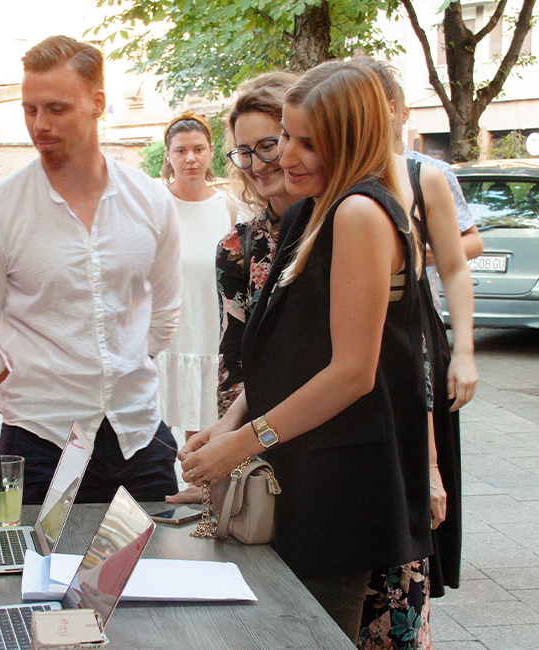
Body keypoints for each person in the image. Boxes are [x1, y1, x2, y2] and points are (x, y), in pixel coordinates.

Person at [178, 61, 432, 643]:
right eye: (286, 135)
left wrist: (242, 443)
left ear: (353, 139)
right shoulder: (311, 211)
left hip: (341, 491)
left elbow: (351, 374)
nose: (284, 156)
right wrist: (228, 425)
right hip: (304, 474)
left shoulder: (360, 213)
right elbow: (278, 354)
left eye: (306, 142)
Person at [0, 35, 182, 505]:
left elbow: (165, 313)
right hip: (41, 444)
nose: (39, 124)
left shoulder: (151, 201)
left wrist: (122, 374)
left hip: (140, 435)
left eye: (56, 108)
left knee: (159, 573)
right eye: (30, 109)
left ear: (97, 104)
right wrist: (32, 402)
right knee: (38, 577)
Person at [352, 57, 479, 649]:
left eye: (381, 106)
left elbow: (454, 264)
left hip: (416, 332)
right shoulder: (340, 179)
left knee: (425, 474)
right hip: (367, 337)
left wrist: (466, 352)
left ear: (399, 112)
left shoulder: (426, 174)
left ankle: (413, 597)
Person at [213, 71, 299, 421]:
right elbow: (231, 363)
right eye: (243, 152)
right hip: (265, 439)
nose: (256, 164)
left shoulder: (352, 222)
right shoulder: (237, 246)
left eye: (267, 146)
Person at [154, 111, 247, 437]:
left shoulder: (231, 208)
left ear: (210, 152)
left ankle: (204, 491)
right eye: (180, 150)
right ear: (168, 155)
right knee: (159, 448)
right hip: (163, 347)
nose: (190, 158)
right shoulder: (154, 205)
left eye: (198, 149)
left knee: (207, 444)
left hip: (213, 343)